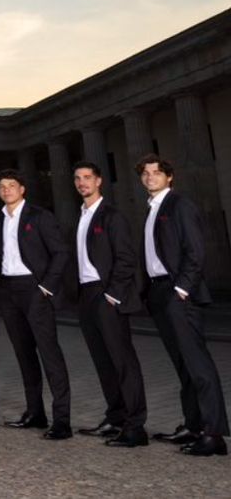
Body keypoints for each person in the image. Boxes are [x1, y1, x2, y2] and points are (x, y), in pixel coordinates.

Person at [137, 154, 228, 456]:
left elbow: (196, 251)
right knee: (183, 365)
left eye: (156, 173)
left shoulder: (179, 204)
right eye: (146, 173)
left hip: (177, 293)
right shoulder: (152, 208)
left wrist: (181, 289)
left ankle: (214, 434)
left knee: (198, 365)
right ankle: (194, 425)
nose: (150, 177)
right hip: (159, 292)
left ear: (169, 177)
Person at [65, 161, 148, 448]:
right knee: (103, 361)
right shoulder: (81, 216)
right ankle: (115, 417)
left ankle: (135, 427)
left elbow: (126, 258)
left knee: (122, 361)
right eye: (77, 178)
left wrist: (112, 294)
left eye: (87, 177)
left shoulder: (112, 216)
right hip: (86, 295)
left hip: (106, 295)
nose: (82, 183)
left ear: (99, 181)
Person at [0, 169, 72, 440]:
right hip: (9, 291)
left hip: (35, 289)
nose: (6, 190)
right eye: (2, 186)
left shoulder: (39, 216)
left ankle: (62, 420)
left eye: (11, 185)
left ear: (22, 189)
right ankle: (35, 412)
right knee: (24, 354)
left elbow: (60, 252)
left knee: (49, 354)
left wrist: (46, 286)